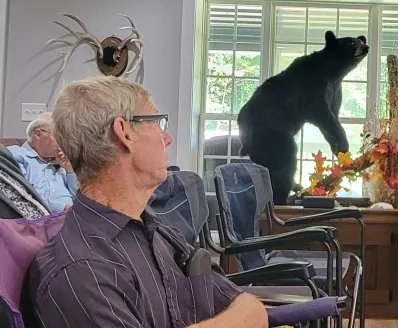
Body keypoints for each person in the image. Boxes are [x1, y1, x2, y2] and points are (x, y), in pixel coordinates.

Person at [27, 76, 269, 328]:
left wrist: (245, 314)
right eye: (157, 123)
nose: (167, 139)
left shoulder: (154, 230)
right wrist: (243, 318)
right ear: (124, 132)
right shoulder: (80, 272)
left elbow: (244, 303)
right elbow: (246, 313)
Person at [7, 112, 77, 212]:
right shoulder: (17, 155)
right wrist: (61, 207)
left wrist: (70, 170)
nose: (64, 142)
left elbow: (80, 200)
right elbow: (19, 197)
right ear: (38, 134)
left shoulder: (62, 164)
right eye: (59, 136)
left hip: (72, 220)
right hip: (41, 222)